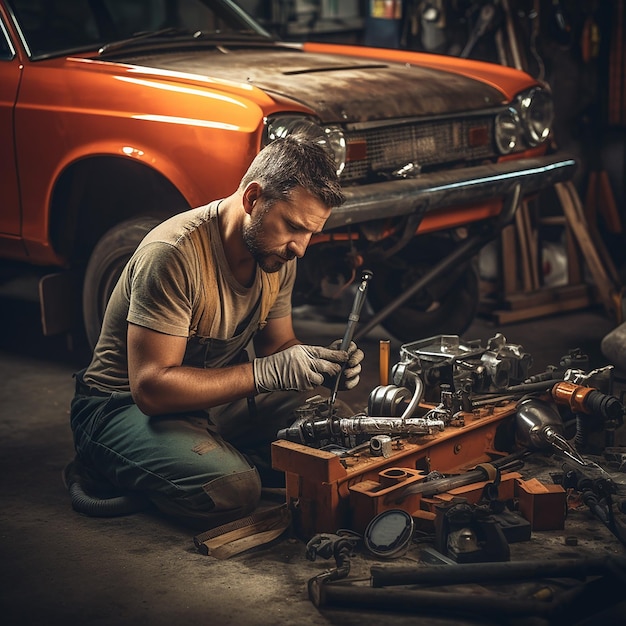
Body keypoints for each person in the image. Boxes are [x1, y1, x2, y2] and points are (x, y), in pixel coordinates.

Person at [67, 136, 364, 529]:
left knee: (337, 429)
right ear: (252, 199)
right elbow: (151, 388)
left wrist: (319, 364)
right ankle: (110, 460)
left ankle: (205, 456)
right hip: (124, 407)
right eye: (293, 226)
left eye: (311, 232)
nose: (302, 248)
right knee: (233, 491)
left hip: (210, 403)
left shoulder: (276, 255)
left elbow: (279, 346)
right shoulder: (173, 254)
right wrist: (265, 373)